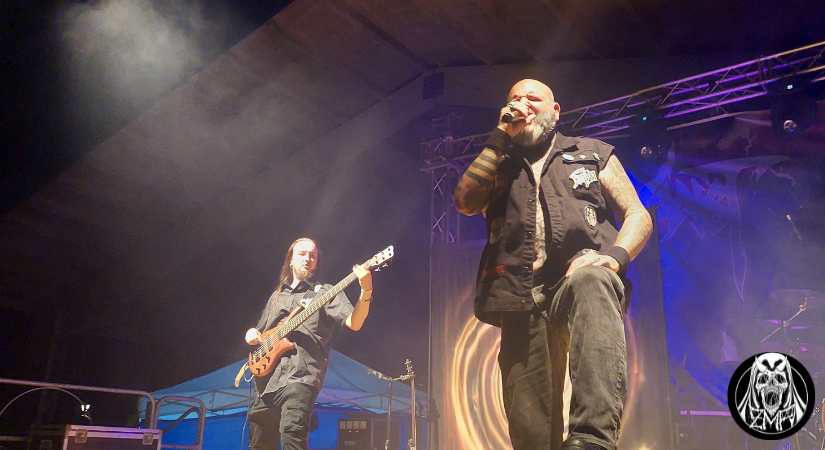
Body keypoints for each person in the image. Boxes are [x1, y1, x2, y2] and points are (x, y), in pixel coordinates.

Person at [454, 79, 652, 450]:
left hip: (578, 279)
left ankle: (592, 438)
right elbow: (465, 201)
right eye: (514, 98)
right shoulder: (499, 166)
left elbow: (637, 214)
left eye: (533, 98)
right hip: (520, 296)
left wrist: (615, 256)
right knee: (530, 430)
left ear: (555, 111)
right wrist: (500, 135)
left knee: (592, 279)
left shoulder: (592, 152)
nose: (522, 103)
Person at [244, 238, 374, 450]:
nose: (308, 258)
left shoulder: (325, 292)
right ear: (291, 260)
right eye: (302, 254)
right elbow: (261, 334)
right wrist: (251, 333)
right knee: (259, 443)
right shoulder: (277, 296)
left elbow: (355, 322)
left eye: (313, 256)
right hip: (267, 383)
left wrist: (366, 291)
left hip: (301, 377)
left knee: (292, 436)